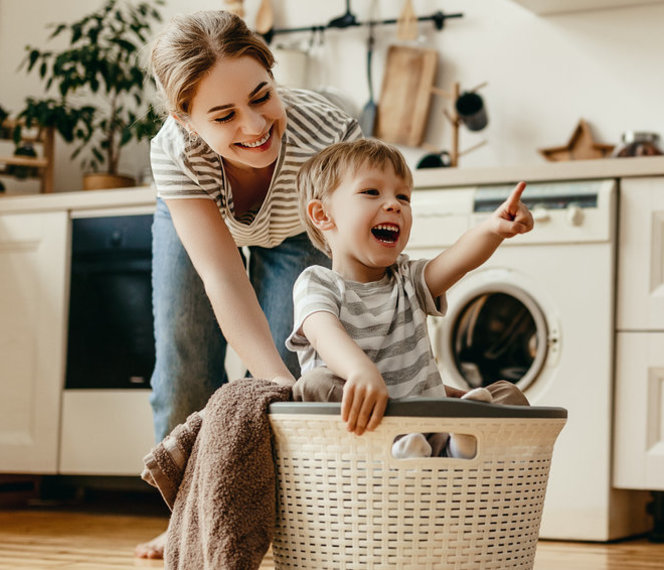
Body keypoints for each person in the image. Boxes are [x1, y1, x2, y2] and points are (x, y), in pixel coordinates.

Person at [137, 10, 361, 559]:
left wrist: (295, 386)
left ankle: (288, 523)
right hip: (202, 217)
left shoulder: (330, 133)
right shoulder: (175, 152)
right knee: (184, 359)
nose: (254, 126)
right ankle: (188, 517)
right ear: (187, 120)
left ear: (272, 73)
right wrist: (276, 385)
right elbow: (221, 276)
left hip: (299, 229)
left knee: (294, 366)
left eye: (262, 97)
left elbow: (356, 257)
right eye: (224, 115)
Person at [286, 138, 533, 458]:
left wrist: (493, 229)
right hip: (361, 431)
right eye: (371, 192)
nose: (394, 204)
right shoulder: (317, 283)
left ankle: (457, 446)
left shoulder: (408, 279)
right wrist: (361, 371)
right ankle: (403, 449)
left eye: (403, 196)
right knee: (313, 386)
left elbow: (458, 259)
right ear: (322, 215)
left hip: (429, 422)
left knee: (507, 395)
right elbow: (324, 332)